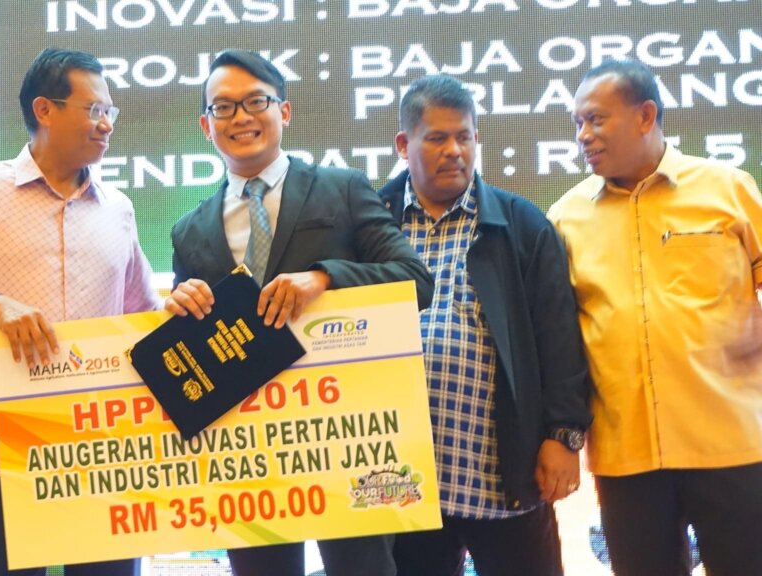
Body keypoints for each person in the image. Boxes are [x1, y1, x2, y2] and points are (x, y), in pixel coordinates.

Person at [165, 48, 434, 576]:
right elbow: (190, 357)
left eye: (256, 101)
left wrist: (325, 277)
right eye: (223, 107)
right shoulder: (189, 230)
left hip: (349, 437)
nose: (240, 117)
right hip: (246, 452)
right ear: (206, 125)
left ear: (284, 111)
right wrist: (179, 308)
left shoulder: (342, 187)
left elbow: (415, 281)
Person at [0, 48, 158, 576]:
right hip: (3, 452)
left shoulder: (119, 209)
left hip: (102, 453)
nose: (107, 124)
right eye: (94, 109)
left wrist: (188, 305)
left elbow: (144, 316)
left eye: (110, 111)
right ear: (45, 110)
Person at [548, 59, 762, 576]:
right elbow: (555, 339)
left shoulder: (727, 189)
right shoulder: (564, 218)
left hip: (732, 442)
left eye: (596, 119)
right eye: (578, 123)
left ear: (645, 115)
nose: (583, 135)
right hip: (626, 457)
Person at [375, 74, 591, 576]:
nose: (454, 150)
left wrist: (564, 435)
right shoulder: (371, 222)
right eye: (437, 138)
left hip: (503, 473)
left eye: (464, 137)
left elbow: (559, 337)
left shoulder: (521, 224)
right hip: (399, 480)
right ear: (404, 144)